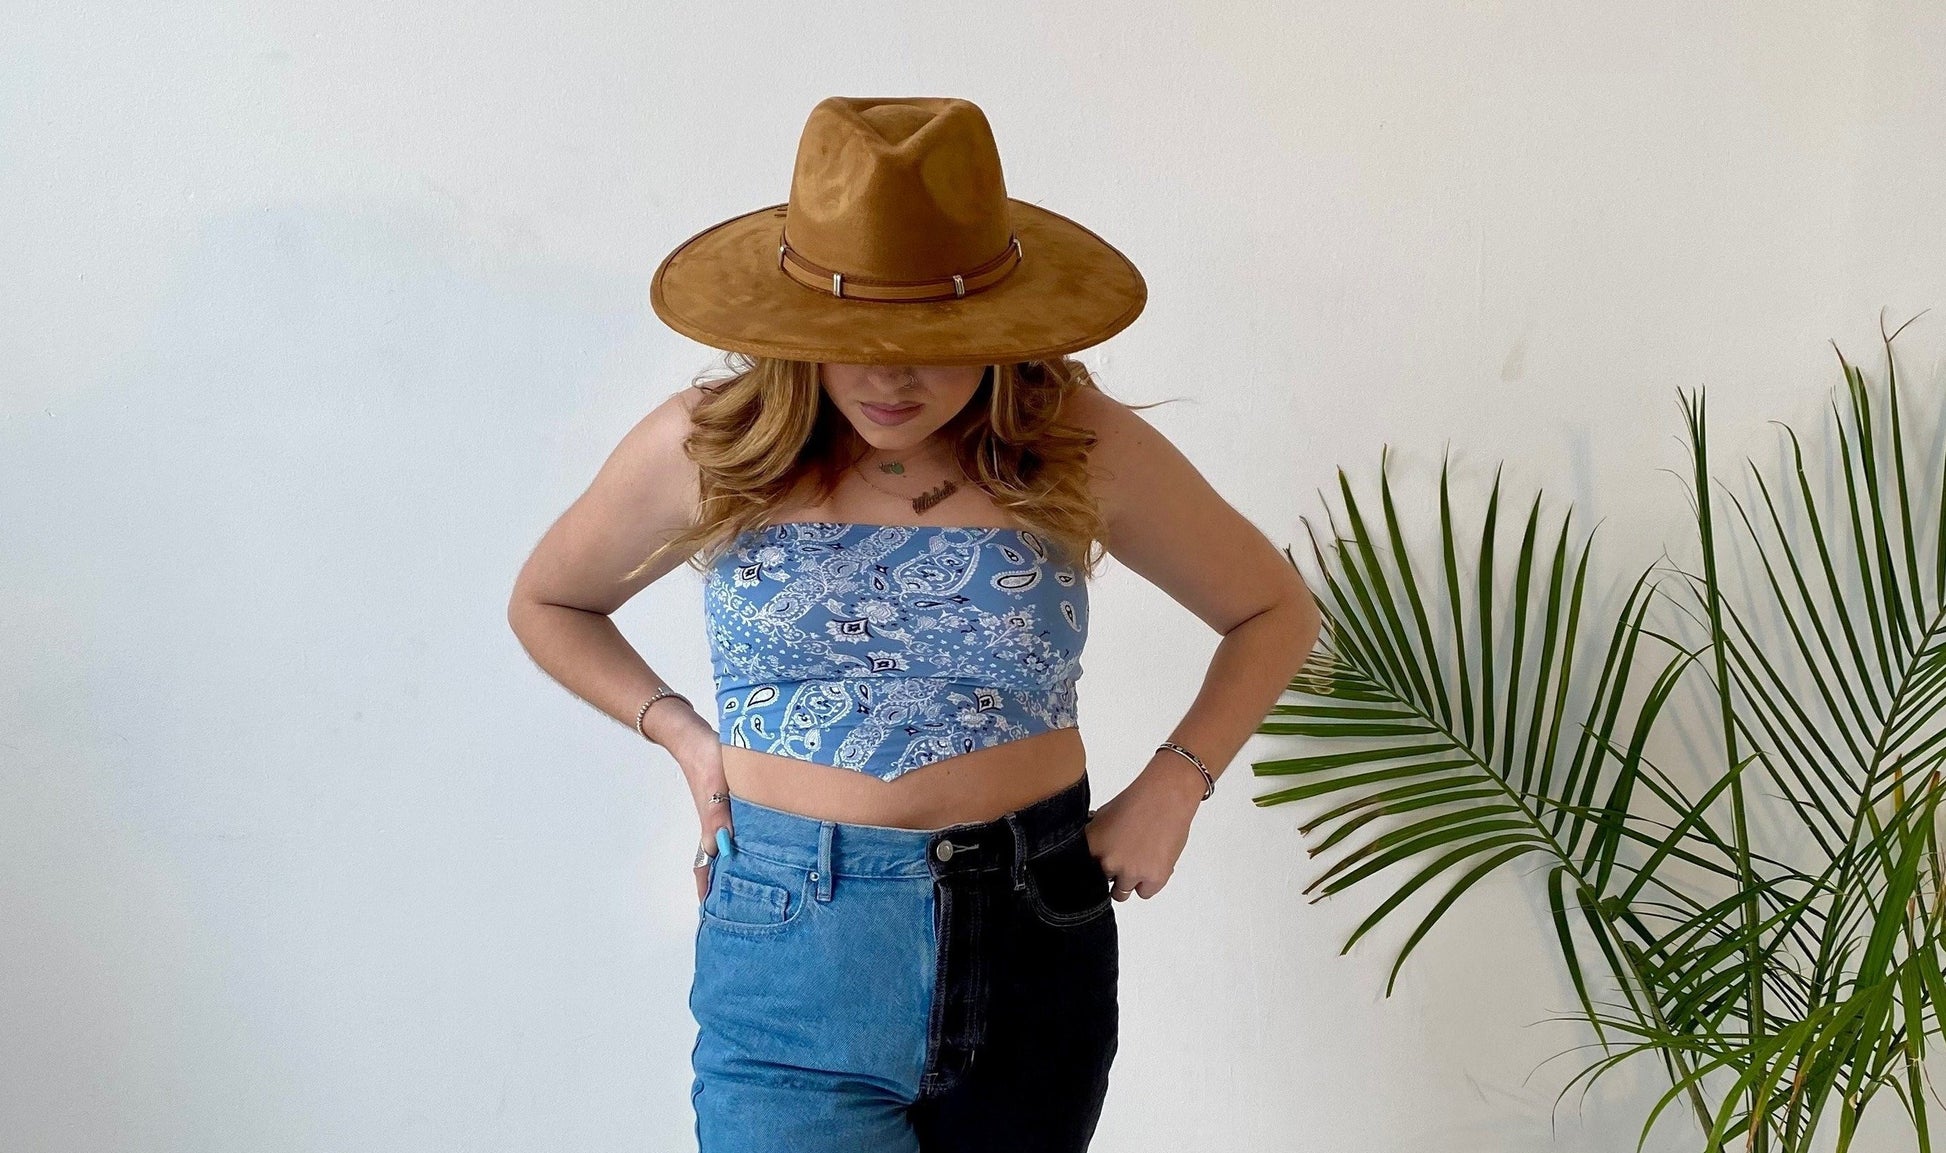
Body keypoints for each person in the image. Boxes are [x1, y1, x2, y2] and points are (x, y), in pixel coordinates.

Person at [507, 96, 1320, 1153]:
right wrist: (685, 737)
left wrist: (1177, 781)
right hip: (791, 947)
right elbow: (550, 600)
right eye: (855, 341)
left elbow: (1271, 609)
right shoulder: (710, 446)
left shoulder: (1071, 440)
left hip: (1034, 942)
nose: (891, 378)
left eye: (936, 342)